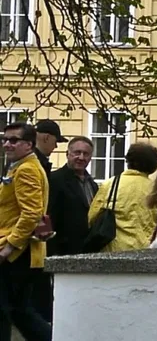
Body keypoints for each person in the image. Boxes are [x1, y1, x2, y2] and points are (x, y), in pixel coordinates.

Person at [0, 123, 52, 341]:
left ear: (29, 144)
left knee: (4, 311)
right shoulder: (19, 166)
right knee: (21, 311)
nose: (7, 144)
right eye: (5, 139)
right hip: (24, 252)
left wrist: (8, 248)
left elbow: (31, 213)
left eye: (14, 140)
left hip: (16, 253)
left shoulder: (26, 169)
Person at [87, 143, 157, 252]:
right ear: (153, 166)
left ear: (128, 162)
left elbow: (92, 217)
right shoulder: (155, 190)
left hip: (112, 250)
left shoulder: (110, 184)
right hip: (145, 250)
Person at [45, 138, 97, 256]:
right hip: (61, 251)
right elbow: (48, 216)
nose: (81, 157)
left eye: (86, 154)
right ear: (67, 154)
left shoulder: (92, 184)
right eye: (77, 152)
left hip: (86, 249)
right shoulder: (54, 180)